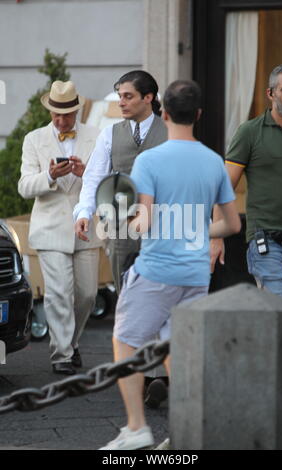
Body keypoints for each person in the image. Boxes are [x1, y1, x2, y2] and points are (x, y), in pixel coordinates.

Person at [98, 80, 241, 450]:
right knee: (180, 351)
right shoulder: (212, 161)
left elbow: (142, 222)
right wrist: (195, 228)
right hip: (195, 274)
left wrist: (121, 218)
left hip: (156, 270)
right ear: (198, 115)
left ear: (163, 112)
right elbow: (232, 224)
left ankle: (136, 428)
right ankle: (185, 434)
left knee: (125, 342)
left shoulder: (150, 159)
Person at [73, 70, 168, 406]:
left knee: (160, 298)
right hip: (119, 229)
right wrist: (84, 212)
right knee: (128, 302)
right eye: (119, 95)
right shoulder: (110, 134)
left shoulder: (171, 132)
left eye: (127, 96)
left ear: (149, 97)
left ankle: (159, 375)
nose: (121, 102)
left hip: (162, 229)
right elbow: (95, 177)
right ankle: (137, 372)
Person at [18, 80, 101, 375]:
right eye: (56, 114)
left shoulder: (97, 135)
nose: (61, 120)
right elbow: (24, 186)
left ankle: (71, 342)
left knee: (88, 294)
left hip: (87, 228)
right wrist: (49, 176)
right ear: (50, 111)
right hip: (51, 228)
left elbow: (109, 180)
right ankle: (62, 354)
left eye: (67, 115)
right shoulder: (33, 139)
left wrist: (85, 172)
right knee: (59, 294)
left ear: (76, 111)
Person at [213, 64, 282, 300]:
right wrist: (216, 236)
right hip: (267, 240)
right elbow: (224, 187)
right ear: (270, 94)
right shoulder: (250, 132)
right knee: (278, 311)